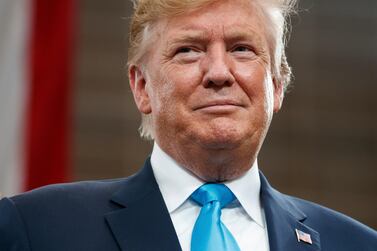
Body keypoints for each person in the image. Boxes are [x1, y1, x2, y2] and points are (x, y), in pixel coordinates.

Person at [0, 0, 376, 250]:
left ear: (277, 85)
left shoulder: (357, 245)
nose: (218, 73)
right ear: (142, 87)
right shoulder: (36, 229)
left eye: (241, 48)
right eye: (188, 50)